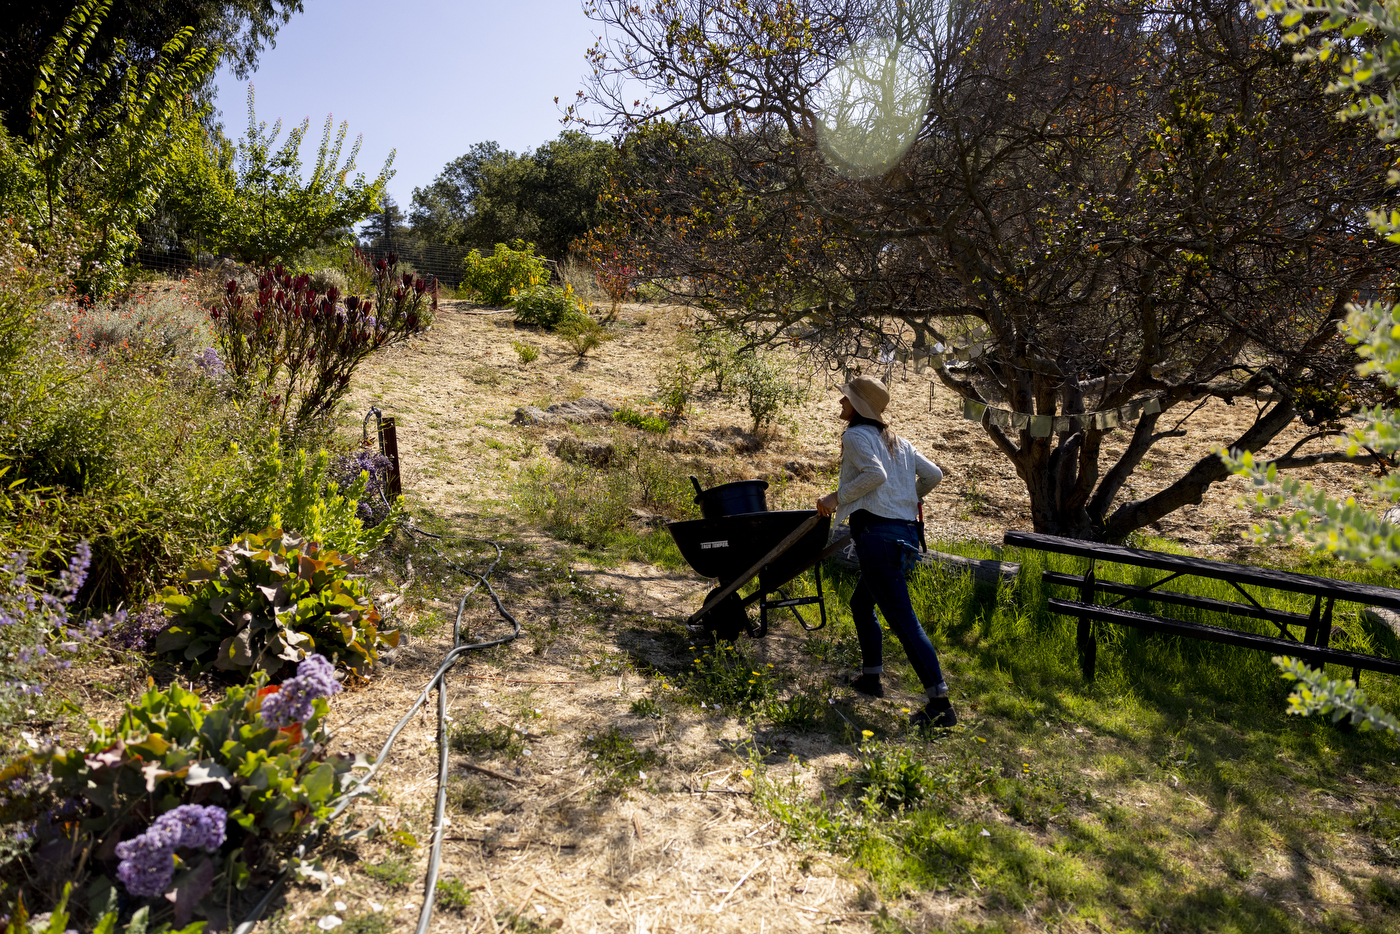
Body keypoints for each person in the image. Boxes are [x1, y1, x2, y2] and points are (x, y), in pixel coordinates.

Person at [815, 374, 957, 728]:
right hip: (903, 535)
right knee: (862, 604)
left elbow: (874, 475)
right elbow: (934, 475)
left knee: (903, 619)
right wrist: (907, 498)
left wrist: (835, 498)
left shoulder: (855, 435)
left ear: (859, 406)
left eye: (846, 399)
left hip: (878, 539)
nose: (840, 404)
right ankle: (871, 677)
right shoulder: (899, 441)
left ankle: (940, 703)